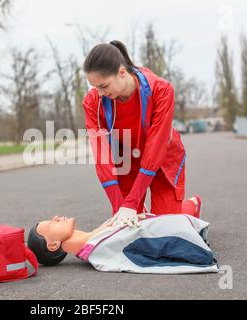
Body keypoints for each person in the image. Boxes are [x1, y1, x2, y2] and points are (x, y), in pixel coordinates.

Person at [82, 40, 201, 228]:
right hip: (127, 159)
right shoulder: (92, 102)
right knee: (128, 228)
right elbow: (102, 156)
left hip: (162, 156)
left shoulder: (161, 90)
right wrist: (120, 206)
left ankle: (189, 206)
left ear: (122, 72)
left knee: (164, 230)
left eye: (103, 86)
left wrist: (131, 202)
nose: (100, 93)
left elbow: (155, 149)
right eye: (94, 87)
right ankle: (142, 212)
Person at [27, 197, 218, 274]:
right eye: (51, 223)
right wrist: (198, 255)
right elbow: (149, 262)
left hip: (172, 224)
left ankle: (187, 210)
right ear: (52, 245)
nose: (56, 217)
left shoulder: (93, 239)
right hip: (179, 231)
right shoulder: (100, 252)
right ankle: (187, 211)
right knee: (186, 206)